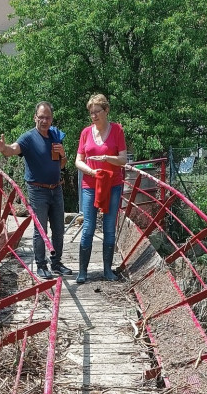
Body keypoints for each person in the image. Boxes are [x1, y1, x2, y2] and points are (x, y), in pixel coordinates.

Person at [0, 101, 72, 279]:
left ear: (52, 119)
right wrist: (4, 149)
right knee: (40, 229)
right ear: (35, 117)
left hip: (56, 189)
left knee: (59, 228)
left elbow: (61, 164)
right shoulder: (28, 138)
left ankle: (57, 263)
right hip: (38, 190)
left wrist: (63, 155)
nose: (44, 121)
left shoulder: (55, 135)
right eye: (41, 117)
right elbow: (12, 149)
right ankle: (41, 265)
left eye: (48, 117)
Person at [75, 94, 127, 283]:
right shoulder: (85, 133)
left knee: (109, 227)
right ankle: (82, 271)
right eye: (91, 113)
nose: (94, 116)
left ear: (106, 111)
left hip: (113, 185)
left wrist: (106, 159)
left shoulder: (117, 131)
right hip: (90, 184)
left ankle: (107, 270)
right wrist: (91, 171)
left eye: (97, 111)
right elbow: (78, 161)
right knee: (88, 227)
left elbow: (123, 160)